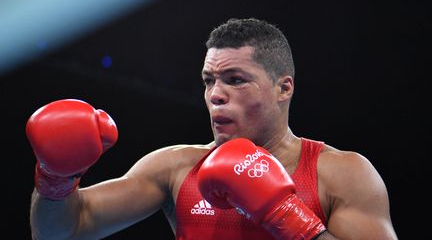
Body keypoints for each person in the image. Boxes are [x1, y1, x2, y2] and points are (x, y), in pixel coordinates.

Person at [28, 18, 398, 239]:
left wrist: (288, 216)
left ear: (283, 87)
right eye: (209, 81)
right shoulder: (175, 168)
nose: (215, 95)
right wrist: (55, 178)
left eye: (235, 79)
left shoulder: (341, 174)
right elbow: (65, 230)